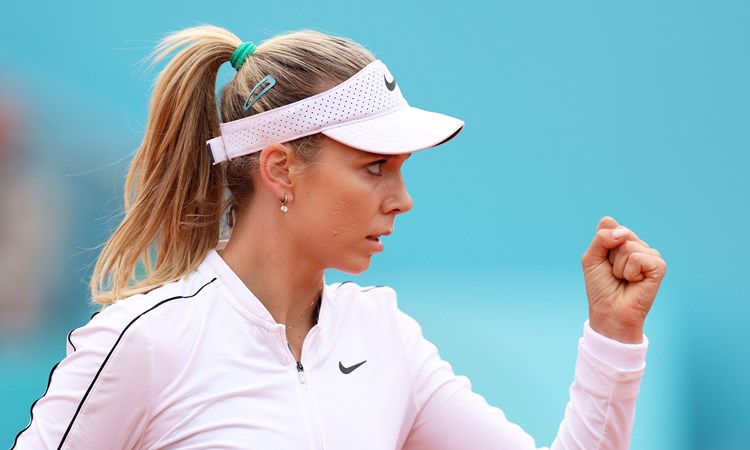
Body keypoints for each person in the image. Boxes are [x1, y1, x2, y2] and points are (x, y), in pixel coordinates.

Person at [12, 25, 666, 450]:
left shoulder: (386, 338)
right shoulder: (145, 341)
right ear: (280, 169)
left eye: (402, 171)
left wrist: (613, 338)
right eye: (373, 168)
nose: (401, 199)